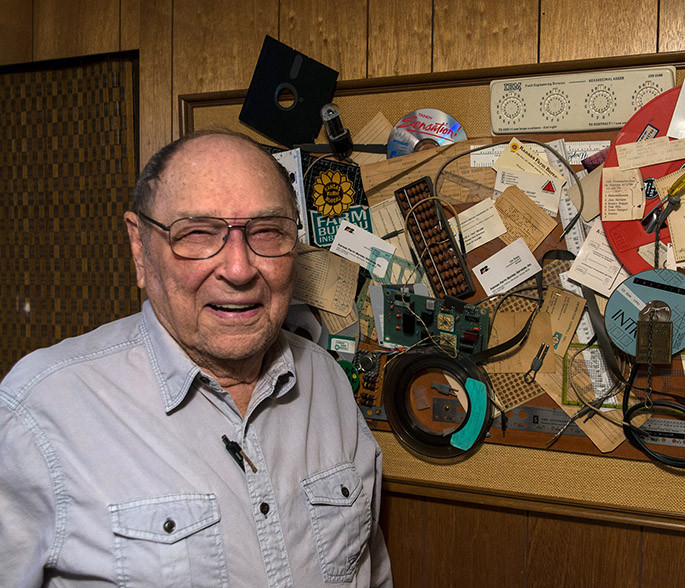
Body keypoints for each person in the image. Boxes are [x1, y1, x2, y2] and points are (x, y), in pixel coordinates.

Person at [0, 130, 393, 587]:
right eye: (198, 234)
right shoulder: (39, 412)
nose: (240, 269)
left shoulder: (327, 381)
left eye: (267, 231)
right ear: (139, 247)